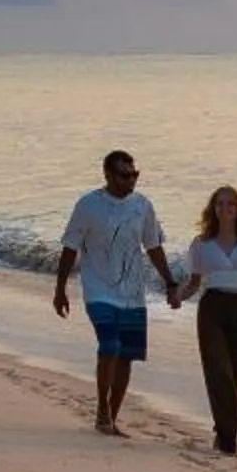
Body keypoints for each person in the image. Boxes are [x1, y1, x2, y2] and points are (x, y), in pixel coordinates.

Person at [52, 149, 179, 437]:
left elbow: (153, 246)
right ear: (108, 175)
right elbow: (70, 246)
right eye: (124, 175)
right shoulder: (88, 205)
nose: (130, 180)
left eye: (134, 175)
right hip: (98, 288)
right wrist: (60, 289)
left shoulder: (143, 206)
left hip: (133, 291)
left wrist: (170, 282)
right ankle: (101, 410)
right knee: (110, 344)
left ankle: (112, 417)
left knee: (127, 355)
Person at [173, 184, 237, 455]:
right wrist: (179, 296)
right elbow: (194, 282)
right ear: (212, 209)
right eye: (219, 204)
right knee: (218, 372)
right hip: (212, 307)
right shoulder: (202, 243)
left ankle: (225, 428)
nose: (224, 209)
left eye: (230, 204)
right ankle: (228, 443)